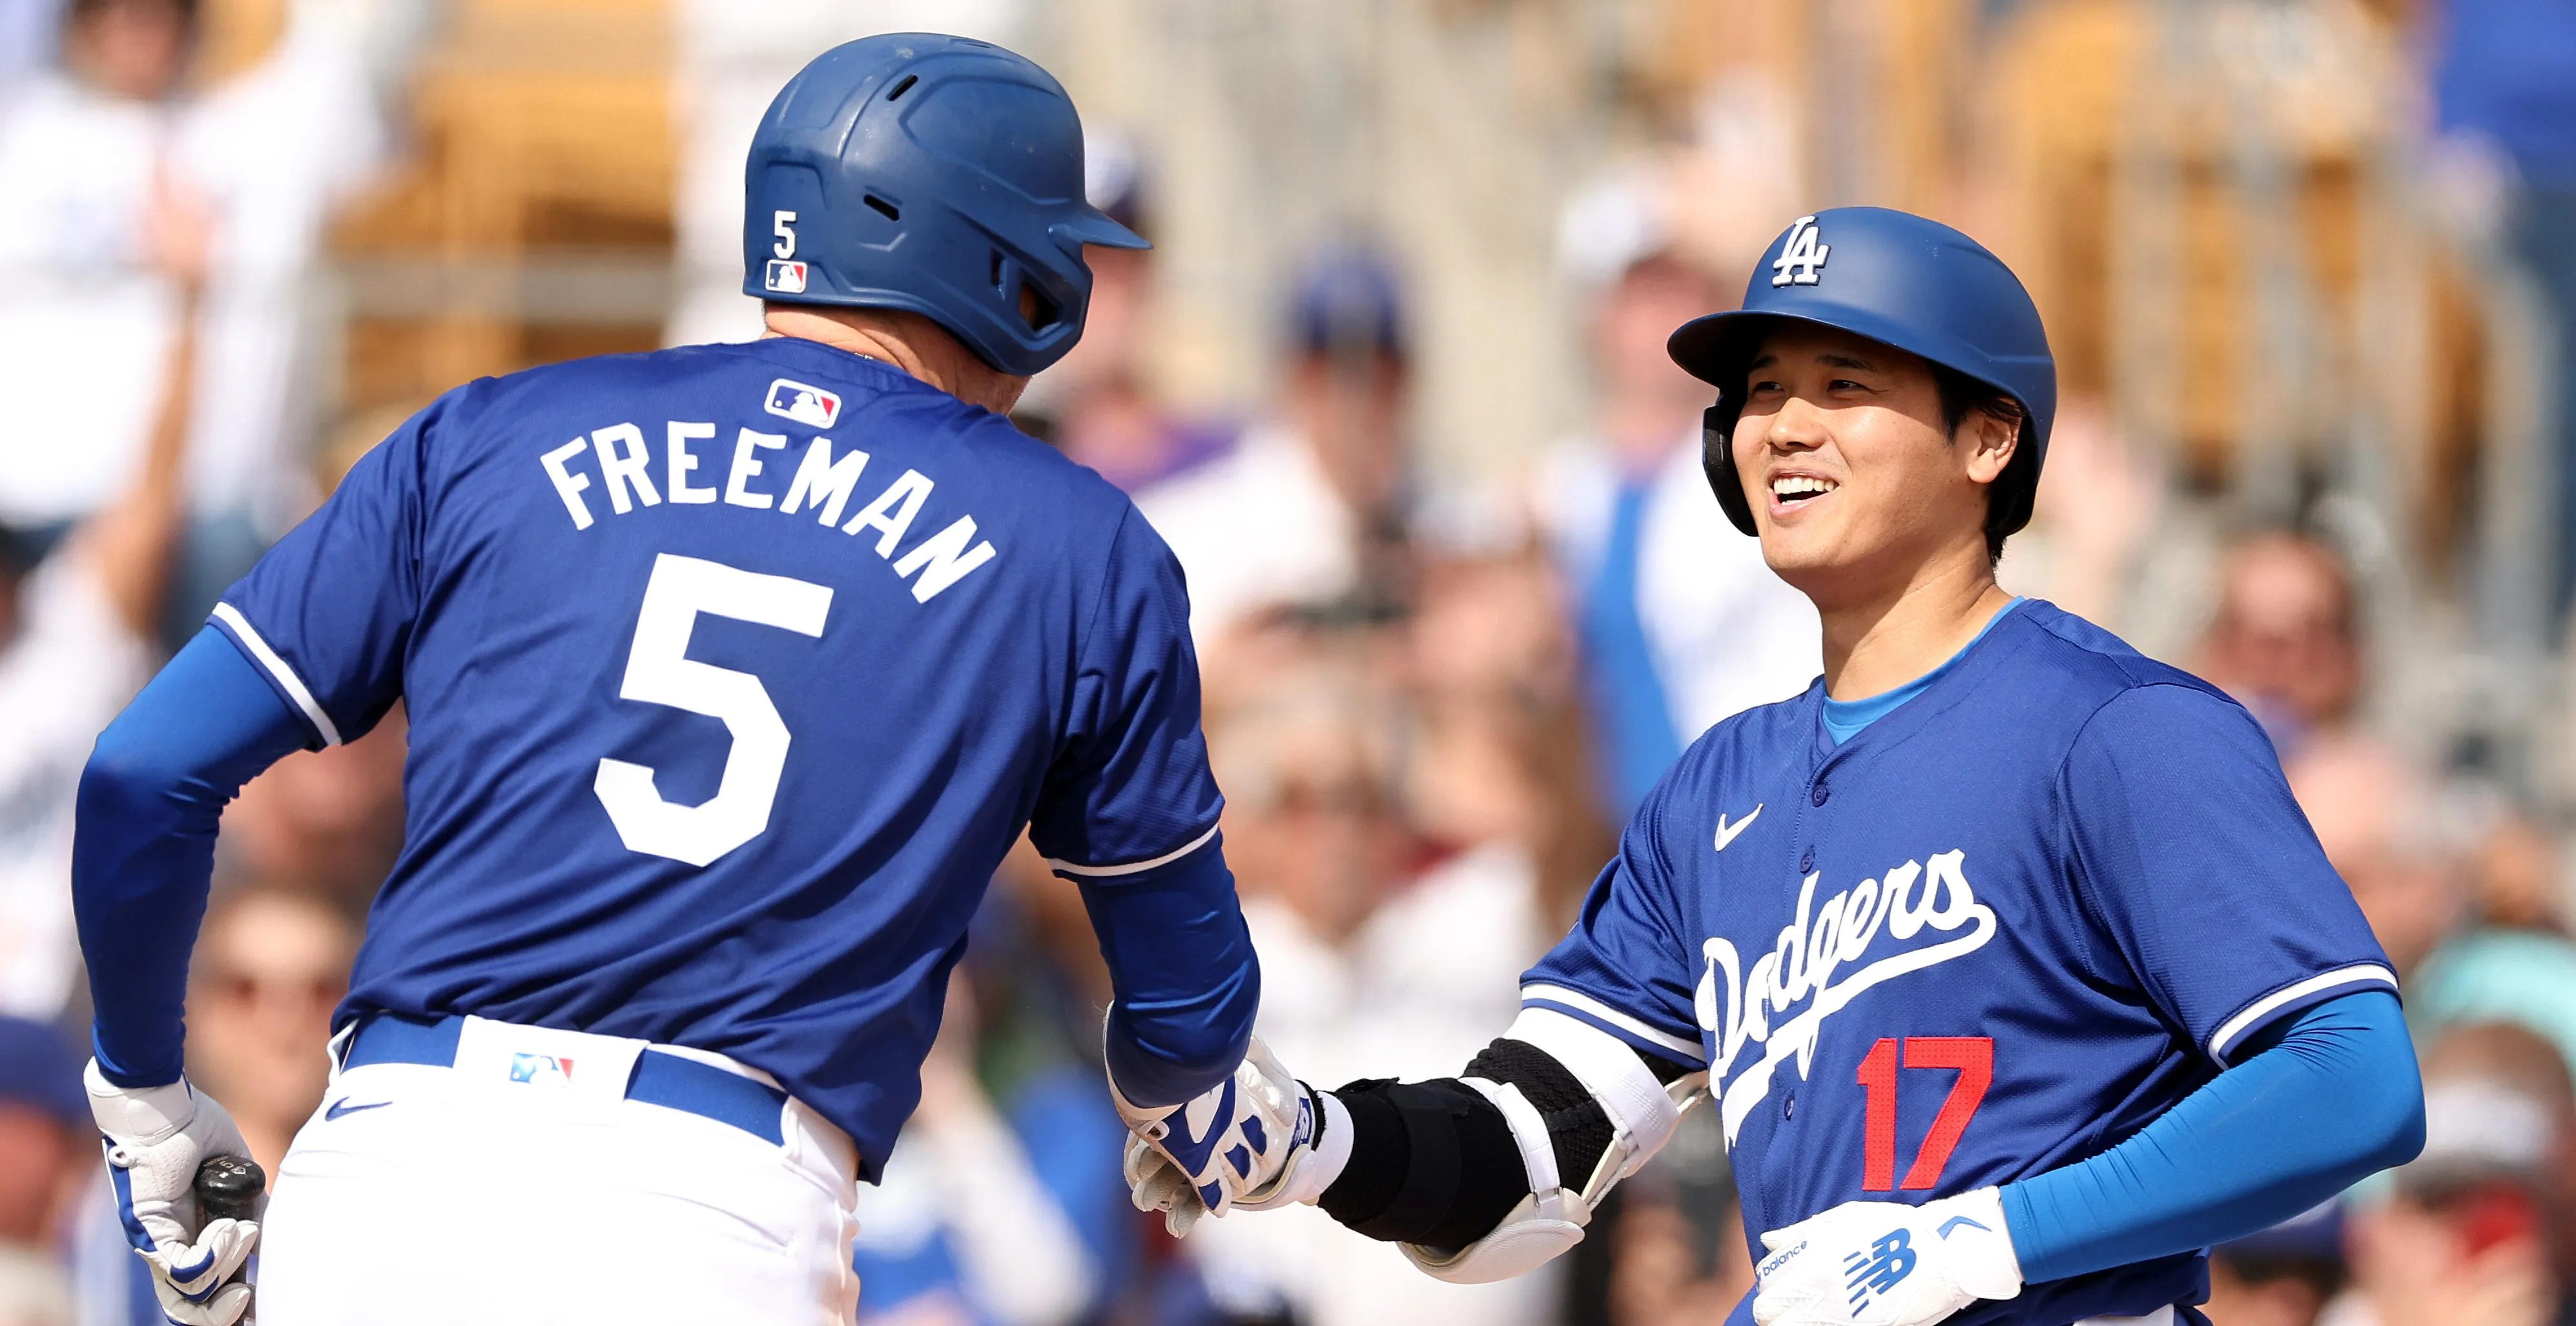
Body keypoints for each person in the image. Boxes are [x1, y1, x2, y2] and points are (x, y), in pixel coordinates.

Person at [70, 34, 1271, 1326]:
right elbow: (1187, 1017)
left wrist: (150, 1111)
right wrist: (1200, 1113)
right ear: (1012, 271)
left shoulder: (486, 430)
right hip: (711, 1207)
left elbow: (143, 774)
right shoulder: (1078, 543)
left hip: (383, 1166)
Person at [1118, 208, 2427, 1326]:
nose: (1782, 426)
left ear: (1987, 440)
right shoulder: (1714, 793)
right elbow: (1530, 1153)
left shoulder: (2117, 727)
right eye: (1758, 392)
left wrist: (1981, 1239)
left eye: (1843, 383)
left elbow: (2348, 1072)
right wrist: (1309, 1141)